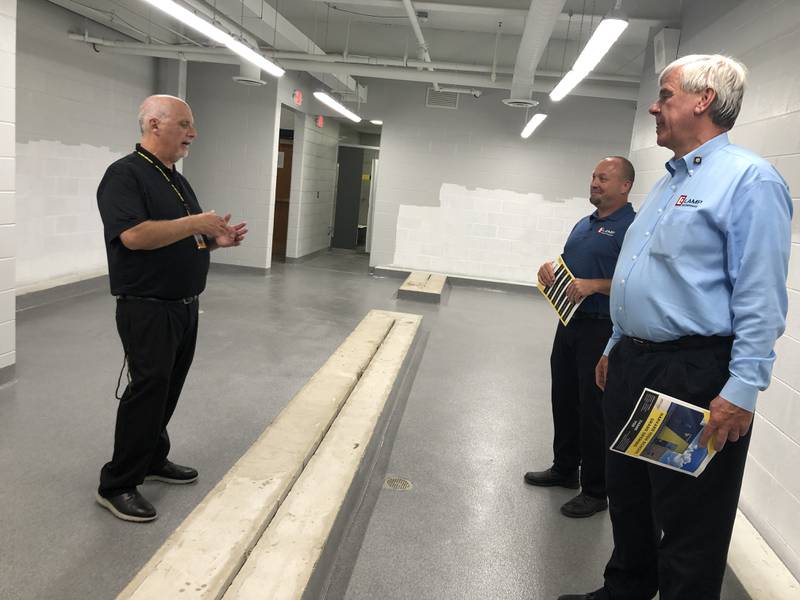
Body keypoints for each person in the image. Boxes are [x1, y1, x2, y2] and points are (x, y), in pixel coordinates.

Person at [559, 55, 792, 600]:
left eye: (665, 95)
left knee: (689, 517)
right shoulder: (668, 183)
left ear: (703, 98)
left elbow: (760, 296)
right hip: (633, 363)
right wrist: (616, 344)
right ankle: (627, 589)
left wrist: (741, 390)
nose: (654, 105)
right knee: (630, 496)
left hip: (691, 373)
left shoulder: (749, 180)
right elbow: (643, 276)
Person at [95, 95, 248, 522]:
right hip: (147, 307)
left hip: (183, 305)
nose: (192, 134)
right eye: (184, 125)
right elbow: (134, 237)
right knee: (147, 390)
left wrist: (214, 240)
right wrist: (196, 223)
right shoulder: (124, 176)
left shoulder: (175, 179)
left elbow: (184, 238)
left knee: (168, 387)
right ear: (155, 125)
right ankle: (118, 483)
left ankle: (151, 457)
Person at [525, 157, 635, 518]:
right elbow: (573, 265)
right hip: (569, 323)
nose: (595, 182)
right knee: (564, 396)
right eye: (593, 176)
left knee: (594, 410)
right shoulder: (583, 225)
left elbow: (634, 282)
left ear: (624, 186)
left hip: (602, 329)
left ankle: (596, 489)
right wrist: (550, 268)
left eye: (604, 178)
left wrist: (595, 286)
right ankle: (564, 469)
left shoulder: (631, 229)